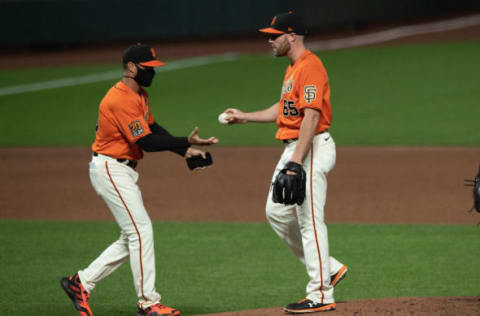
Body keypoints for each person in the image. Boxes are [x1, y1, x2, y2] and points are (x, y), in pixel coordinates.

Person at [60, 43, 218, 316]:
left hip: (122, 169)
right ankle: (148, 303)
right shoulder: (119, 99)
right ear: (131, 68)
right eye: (148, 68)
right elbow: (147, 142)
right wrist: (185, 141)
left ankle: (80, 283)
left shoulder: (139, 95)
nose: (152, 73)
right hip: (111, 168)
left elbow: (154, 128)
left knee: (131, 235)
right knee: (141, 231)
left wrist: (186, 151)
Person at [223, 12, 347, 314]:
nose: (269, 39)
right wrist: (245, 117)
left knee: (310, 221)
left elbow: (312, 116)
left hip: (310, 147)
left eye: (274, 34)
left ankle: (320, 294)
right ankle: (327, 268)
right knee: (276, 212)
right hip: (297, 148)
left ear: (292, 36)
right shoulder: (293, 68)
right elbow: (285, 108)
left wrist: (295, 161)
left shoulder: (311, 66)